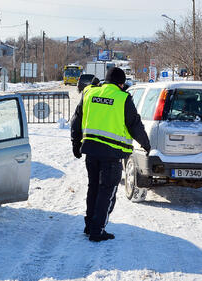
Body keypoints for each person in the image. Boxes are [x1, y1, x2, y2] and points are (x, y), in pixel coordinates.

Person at [70, 67, 150, 242]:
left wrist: (75, 143)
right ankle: (97, 231)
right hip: (112, 155)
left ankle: (89, 226)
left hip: (91, 151)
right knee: (107, 192)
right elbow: (134, 124)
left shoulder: (89, 93)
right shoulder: (123, 98)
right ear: (121, 84)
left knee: (94, 188)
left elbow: (77, 118)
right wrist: (146, 144)